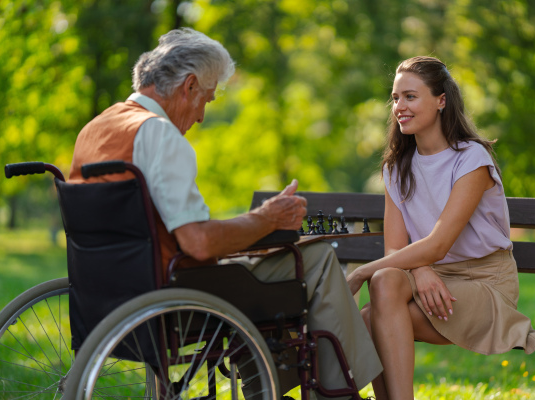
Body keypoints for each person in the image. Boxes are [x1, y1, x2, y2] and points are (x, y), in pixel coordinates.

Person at [68, 28, 382, 398]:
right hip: (176, 295)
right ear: (188, 86)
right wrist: (267, 218)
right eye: (207, 100)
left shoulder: (97, 129)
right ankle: (335, 393)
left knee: (266, 263)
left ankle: (268, 385)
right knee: (317, 258)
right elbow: (199, 243)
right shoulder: (161, 135)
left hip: (107, 291)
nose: (201, 116)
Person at [346, 56, 535, 400]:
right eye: (395, 98)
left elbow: (439, 243)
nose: (399, 107)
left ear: (441, 101)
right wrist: (422, 268)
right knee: (385, 281)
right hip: (434, 280)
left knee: (371, 309)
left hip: (484, 286)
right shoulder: (397, 168)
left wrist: (359, 273)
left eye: (410, 96)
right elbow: (395, 249)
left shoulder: (471, 159)